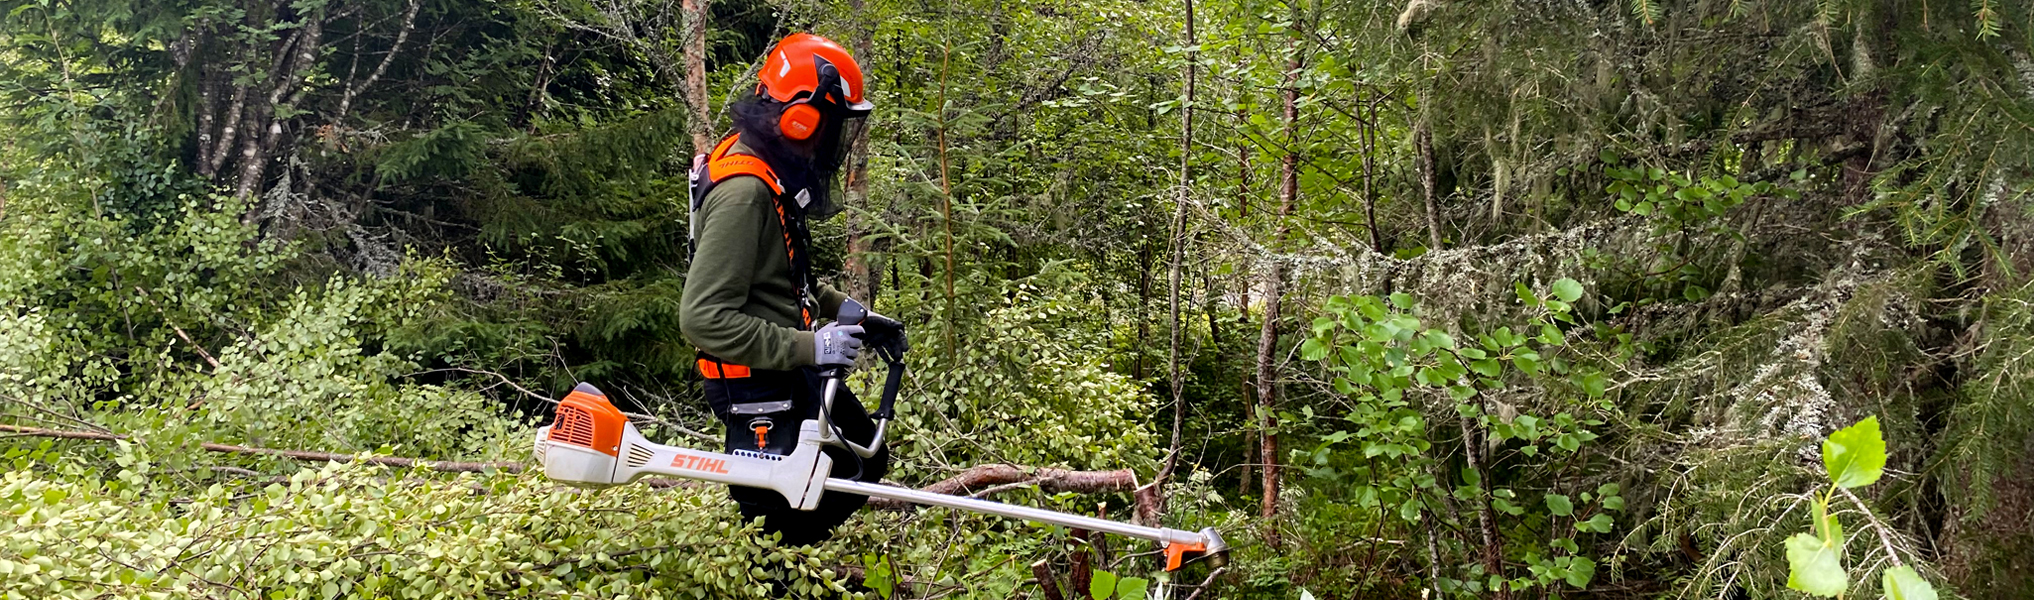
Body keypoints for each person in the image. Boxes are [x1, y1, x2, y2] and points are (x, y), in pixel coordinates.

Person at [679, 32, 901, 546]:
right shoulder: (744, 195)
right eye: (832, 128)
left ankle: (798, 564)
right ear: (800, 119)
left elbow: (779, 274)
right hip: (755, 384)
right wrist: (812, 345)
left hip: (783, 367)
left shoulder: (759, 164)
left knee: (863, 452)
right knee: (781, 522)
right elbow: (702, 318)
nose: (832, 143)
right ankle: (777, 573)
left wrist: (849, 311)